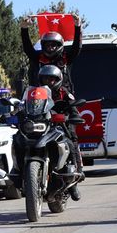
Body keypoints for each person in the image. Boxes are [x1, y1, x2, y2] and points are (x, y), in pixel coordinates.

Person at [37, 65, 84, 201]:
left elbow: (74, 110)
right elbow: (26, 104)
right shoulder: (36, 92)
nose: (49, 82)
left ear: (58, 80)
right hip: (42, 125)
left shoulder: (64, 93)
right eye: (46, 79)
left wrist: (72, 116)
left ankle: (74, 177)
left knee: (71, 141)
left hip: (61, 125)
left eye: (52, 79)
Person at [21, 13, 82, 92]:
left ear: (59, 46)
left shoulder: (65, 58)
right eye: (47, 45)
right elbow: (28, 49)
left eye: (53, 45)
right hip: (40, 98)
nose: (50, 48)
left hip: (63, 99)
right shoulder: (39, 58)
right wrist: (24, 28)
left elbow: (76, 48)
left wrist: (77, 27)